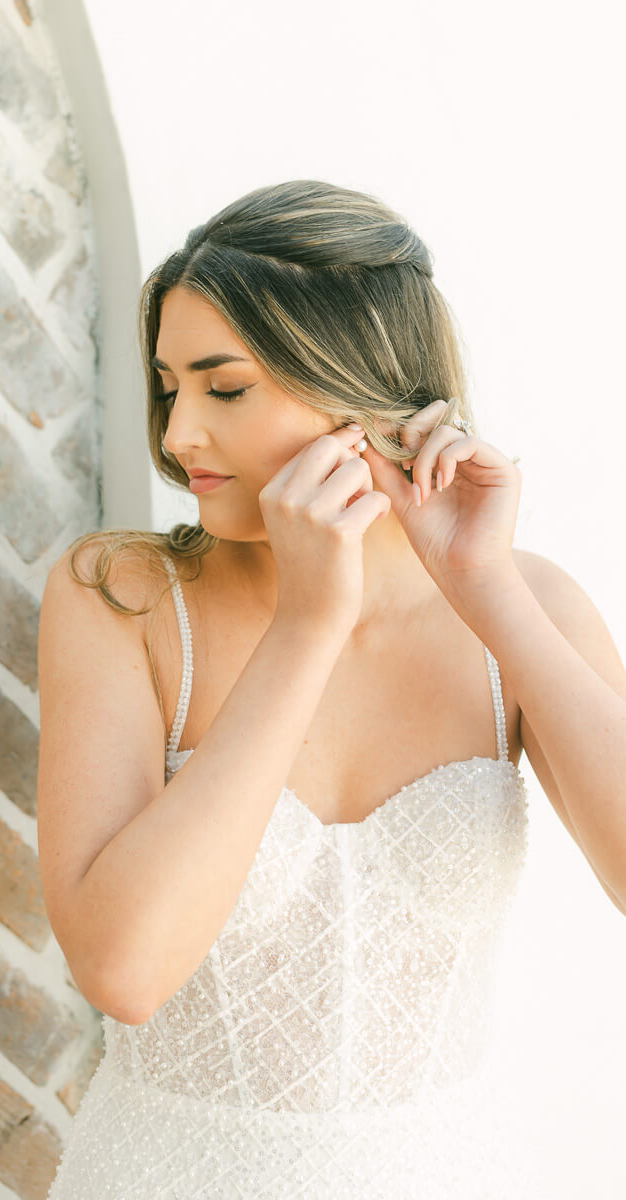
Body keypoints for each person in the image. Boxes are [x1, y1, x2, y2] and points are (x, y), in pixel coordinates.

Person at [37, 181, 626, 1198]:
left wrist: (485, 585)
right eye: (169, 387)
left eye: (223, 390)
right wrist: (305, 628)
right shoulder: (121, 600)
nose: (177, 435)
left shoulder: (524, 609)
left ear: (357, 393)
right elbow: (125, 973)